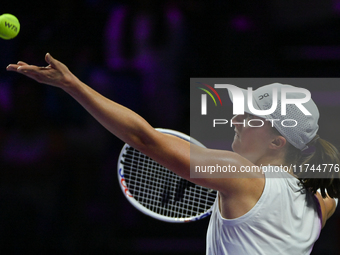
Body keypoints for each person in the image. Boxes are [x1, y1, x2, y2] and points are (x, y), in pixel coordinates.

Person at [6, 54, 339, 254]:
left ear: (277, 143)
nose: (236, 120)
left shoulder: (242, 175)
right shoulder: (321, 202)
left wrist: (72, 86)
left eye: (252, 119)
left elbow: (145, 139)